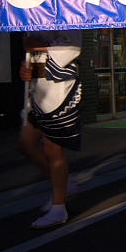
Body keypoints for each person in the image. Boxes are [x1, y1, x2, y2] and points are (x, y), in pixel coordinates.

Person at [18, 30, 83, 229]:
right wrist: (25, 68)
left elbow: (73, 48)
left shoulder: (68, 11)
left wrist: (36, 44)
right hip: (37, 89)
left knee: (52, 147)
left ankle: (58, 206)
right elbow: (32, 54)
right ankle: (63, 186)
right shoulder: (34, 16)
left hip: (59, 89)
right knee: (25, 143)